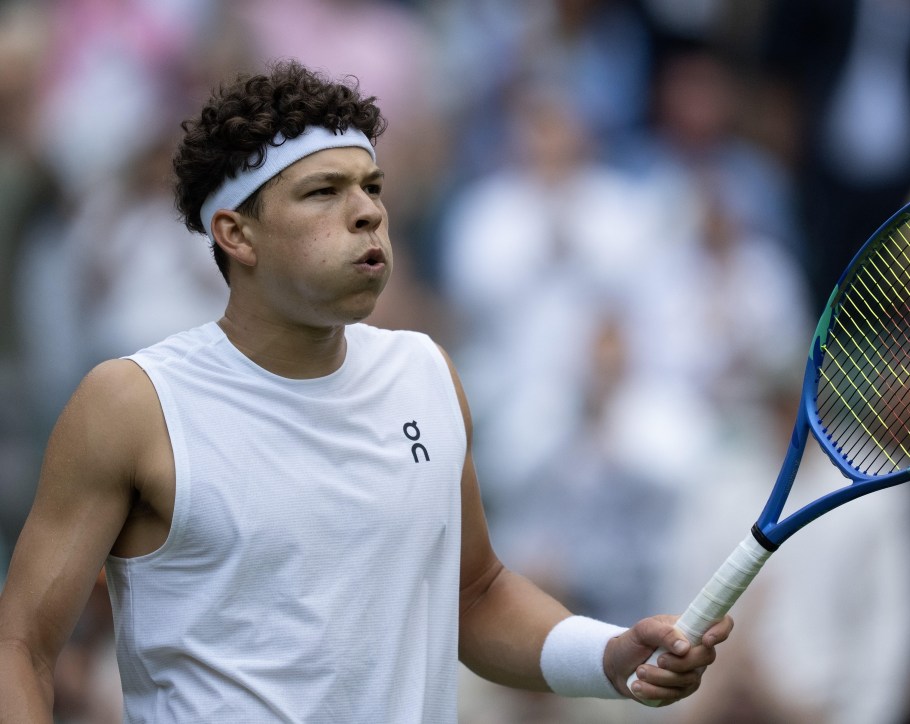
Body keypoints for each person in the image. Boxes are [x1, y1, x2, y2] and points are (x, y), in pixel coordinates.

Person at [0, 60, 732, 722]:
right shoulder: (132, 403)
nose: (367, 211)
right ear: (236, 234)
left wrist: (608, 656)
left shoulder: (426, 373)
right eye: (324, 191)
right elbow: (22, 645)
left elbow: (475, 595)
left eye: (372, 187)